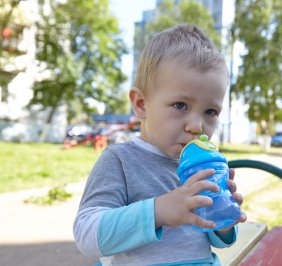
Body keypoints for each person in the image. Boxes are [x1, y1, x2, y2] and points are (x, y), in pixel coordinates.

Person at [73, 24, 247, 265]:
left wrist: (224, 218)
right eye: (180, 105)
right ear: (142, 104)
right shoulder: (120, 160)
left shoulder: (203, 167)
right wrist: (158, 211)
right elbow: (87, 235)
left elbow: (219, 240)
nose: (197, 126)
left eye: (210, 111)